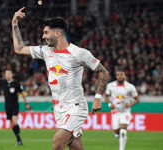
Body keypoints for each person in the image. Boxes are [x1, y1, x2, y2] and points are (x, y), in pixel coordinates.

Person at [12, 7, 109, 150]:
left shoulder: (78, 53)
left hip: (75, 108)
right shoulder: (46, 51)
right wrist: (14, 24)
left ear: (57, 33)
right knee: (76, 147)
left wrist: (97, 98)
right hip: (59, 110)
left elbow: (104, 72)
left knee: (57, 143)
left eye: (46, 33)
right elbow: (19, 49)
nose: (43, 36)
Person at [104, 70, 139, 150]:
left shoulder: (130, 87)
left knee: (123, 131)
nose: (119, 76)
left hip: (125, 111)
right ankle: (122, 138)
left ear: (125, 76)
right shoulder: (111, 85)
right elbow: (106, 95)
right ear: (116, 76)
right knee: (117, 133)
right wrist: (110, 104)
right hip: (115, 111)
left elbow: (137, 99)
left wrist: (130, 105)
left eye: (121, 75)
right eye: (118, 75)